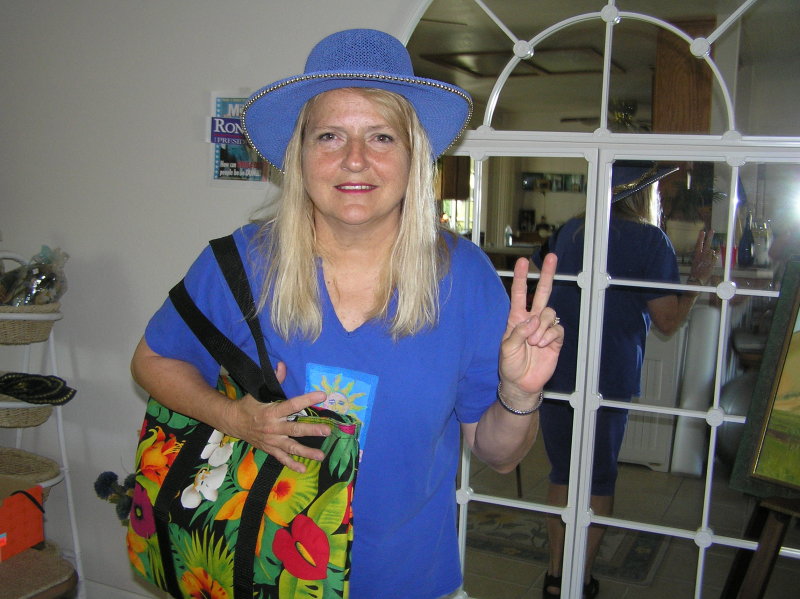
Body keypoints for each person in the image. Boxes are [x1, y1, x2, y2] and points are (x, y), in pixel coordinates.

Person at [130, 29, 564, 599]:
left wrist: (519, 392)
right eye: (329, 135)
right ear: (299, 153)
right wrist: (234, 418)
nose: (354, 159)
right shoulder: (240, 263)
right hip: (259, 574)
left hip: (412, 583)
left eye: (381, 136)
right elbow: (152, 360)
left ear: (413, 156)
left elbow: (499, 454)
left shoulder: (464, 278)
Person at [532, 162, 716, 599]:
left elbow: (537, 290)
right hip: (608, 370)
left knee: (563, 472)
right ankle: (581, 579)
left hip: (553, 363)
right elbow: (667, 320)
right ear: (644, 194)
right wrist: (698, 281)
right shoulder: (650, 239)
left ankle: (556, 576)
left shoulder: (569, 231)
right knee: (598, 477)